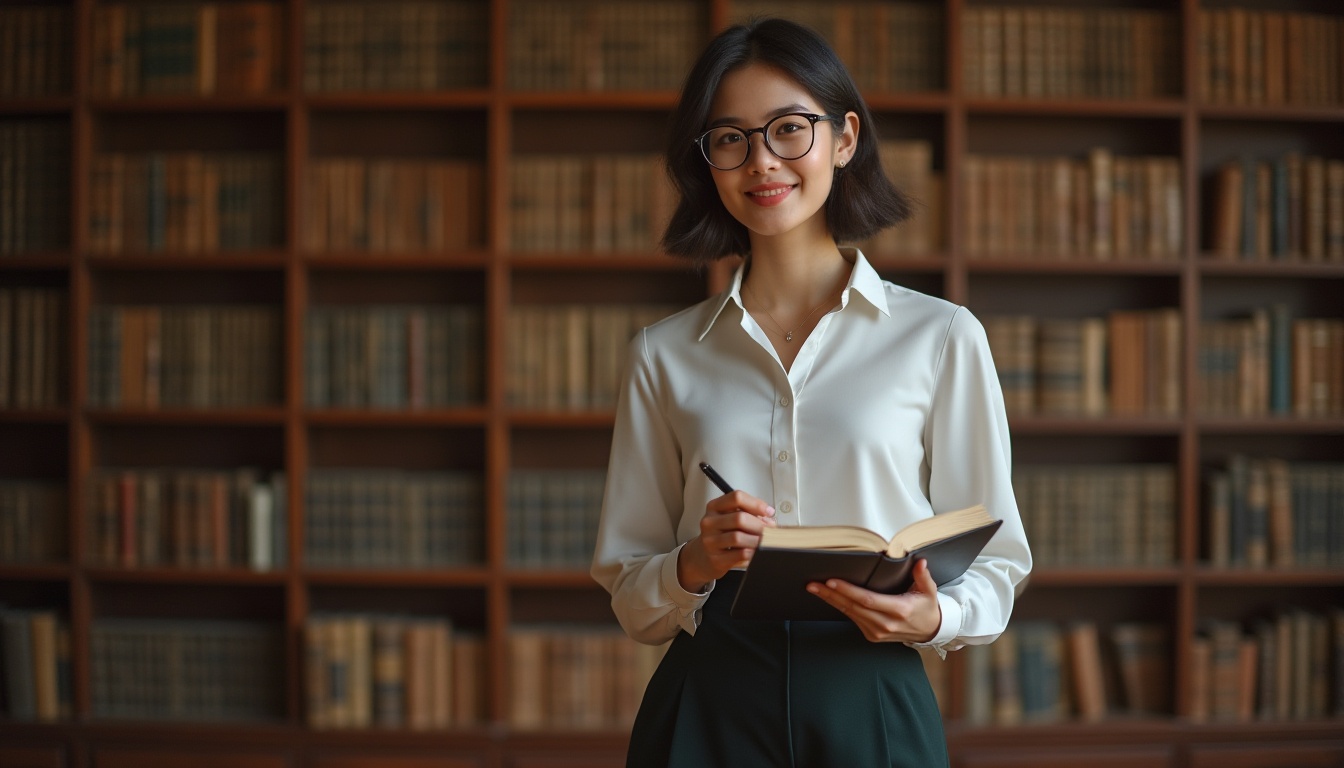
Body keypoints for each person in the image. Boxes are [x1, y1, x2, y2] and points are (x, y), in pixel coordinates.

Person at [590, 17, 1031, 768]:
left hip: (873, 698)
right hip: (708, 705)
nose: (761, 161)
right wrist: (695, 560)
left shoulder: (942, 337)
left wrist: (934, 616)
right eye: (730, 138)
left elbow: (999, 562)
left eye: (789, 129)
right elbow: (631, 594)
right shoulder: (661, 354)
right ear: (707, 161)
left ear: (845, 138)